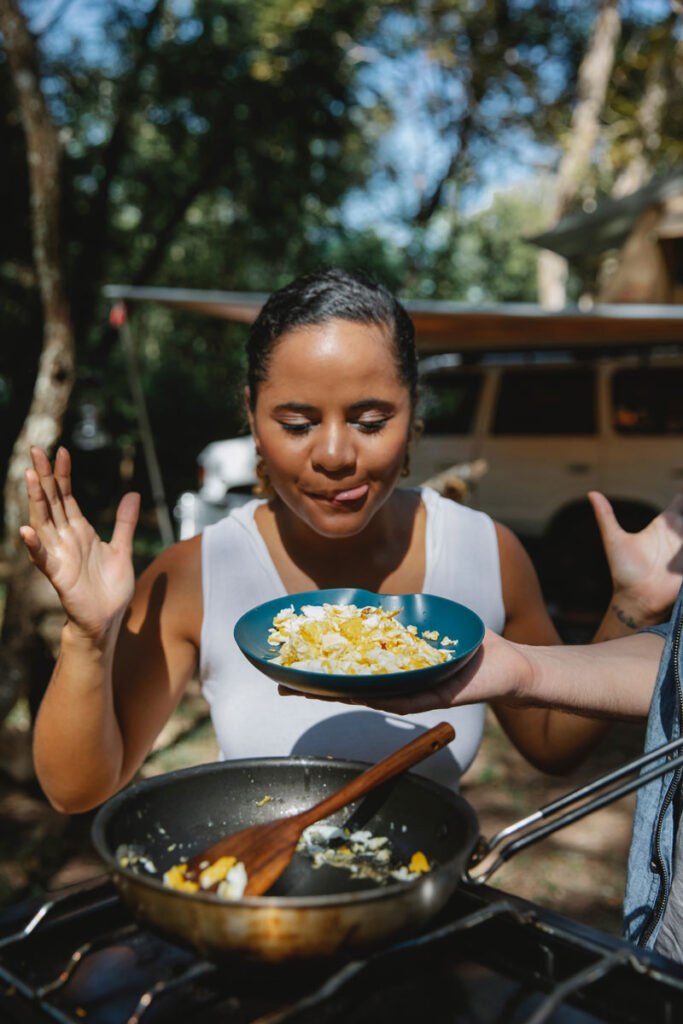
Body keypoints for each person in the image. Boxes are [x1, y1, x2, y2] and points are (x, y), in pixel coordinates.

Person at [20, 268, 677, 816]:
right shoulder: (198, 573)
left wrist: (630, 606)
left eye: (369, 420)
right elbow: (79, 790)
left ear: (414, 413)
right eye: (297, 422)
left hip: (425, 916)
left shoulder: (486, 552)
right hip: (261, 920)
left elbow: (550, 746)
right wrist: (87, 636)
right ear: (251, 415)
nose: (335, 455)